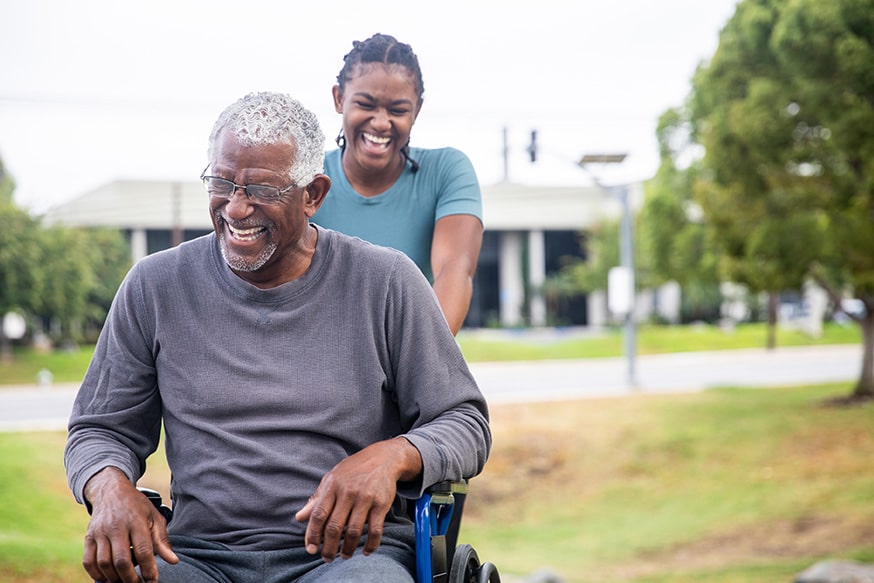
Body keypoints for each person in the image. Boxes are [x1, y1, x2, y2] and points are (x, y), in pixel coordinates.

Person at [64, 91, 491, 583]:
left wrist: (392, 456)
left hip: (348, 557)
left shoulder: (386, 281)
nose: (237, 208)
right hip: (199, 556)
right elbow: (99, 428)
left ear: (313, 194)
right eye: (222, 183)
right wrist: (109, 487)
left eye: (262, 189)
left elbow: (465, 422)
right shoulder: (155, 285)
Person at [311, 33, 483, 335]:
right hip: (322, 362)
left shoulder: (446, 171)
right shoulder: (307, 175)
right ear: (339, 99)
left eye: (398, 110)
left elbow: (455, 267)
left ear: (416, 110)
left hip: (410, 361)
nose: (380, 122)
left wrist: (417, 364)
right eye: (365, 104)